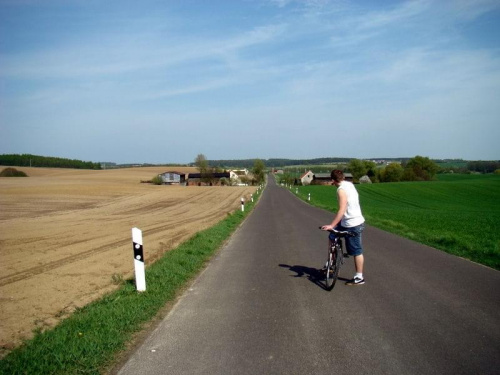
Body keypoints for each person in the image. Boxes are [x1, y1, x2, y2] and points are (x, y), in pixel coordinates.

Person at [321, 170, 366, 285]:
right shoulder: (349, 184)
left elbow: (342, 210)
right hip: (350, 221)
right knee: (332, 235)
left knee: (356, 251)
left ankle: (359, 277)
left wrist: (332, 225)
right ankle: (330, 262)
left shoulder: (341, 190)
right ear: (343, 177)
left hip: (352, 224)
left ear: (332, 180)